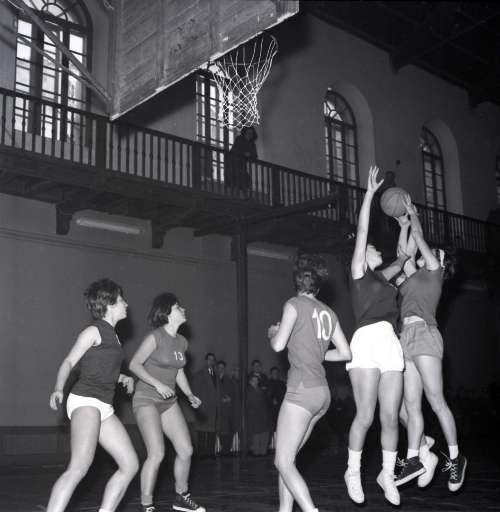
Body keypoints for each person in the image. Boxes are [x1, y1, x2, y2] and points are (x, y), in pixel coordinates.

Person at [344, 166, 410, 506]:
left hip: (389, 342)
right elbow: (362, 229)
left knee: (390, 417)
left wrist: (407, 223)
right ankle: (353, 472)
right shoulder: (359, 272)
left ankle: (387, 474)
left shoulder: (385, 277)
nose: (375, 250)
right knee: (366, 415)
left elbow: (405, 255)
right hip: (366, 341)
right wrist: (369, 195)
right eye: (371, 248)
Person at [393, 197, 467, 491]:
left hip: (425, 334)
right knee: (411, 405)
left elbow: (420, 238)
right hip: (405, 336)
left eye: (435, 253)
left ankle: (456, 458)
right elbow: (402, 255)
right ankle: (414, 459)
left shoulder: (435, 273)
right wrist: (403, 226)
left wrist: (414, 216)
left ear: (441, 262)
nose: (428, 253)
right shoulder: (414, 276)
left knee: (436, 401)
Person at [46, 278, 139, 512]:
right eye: (122, 300)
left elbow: (102, 369)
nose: (126, 304)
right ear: (110, 304)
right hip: (85, 400)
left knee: (130, 465)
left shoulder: (115, 337)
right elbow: (69, 361)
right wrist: (58, 388)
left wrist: (122, 377)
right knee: (78, 467)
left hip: (104, 405)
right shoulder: (93, 330)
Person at [268, 254, 351, 512]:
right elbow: (346, 353)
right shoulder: (329, 312)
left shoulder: (293, 304)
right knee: (289, 460)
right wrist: (317, 354)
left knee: (282, 462)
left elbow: (278, 345)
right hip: (322, 394)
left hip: (301, 390)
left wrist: (272, 333)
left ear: (297, 281)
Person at [129, 293, 204, 512]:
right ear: (168, 312)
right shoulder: (155, 337)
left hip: (169, 402)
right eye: (179, 307)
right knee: (157, 453)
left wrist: (189, 394)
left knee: (186, 450)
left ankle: (181, 497)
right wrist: (157, 384)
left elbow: (178, 371)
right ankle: (147, 505)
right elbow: (134, 364)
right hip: (146, 399)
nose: (184, 309)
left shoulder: (182, 341)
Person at [191, 352, 218, 458]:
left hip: (213, 408)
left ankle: (210, 453)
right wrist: (198, 406)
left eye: (213, 360)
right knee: (202, 432)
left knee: (212, 432)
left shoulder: (215, 375)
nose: (211, 362)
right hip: (203, 408)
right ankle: (202, 454)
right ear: (206, 361)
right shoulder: (199, 375)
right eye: (209, 359)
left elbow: (217, 391)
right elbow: (195, 391)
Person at [225, 126, 257, 195]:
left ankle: (244, 195)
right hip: (233, 162)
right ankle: (237, 194)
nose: (250, 135)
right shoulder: (239, 139)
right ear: (244, 133)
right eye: (248, 133)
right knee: (237, 178)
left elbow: (255, 156)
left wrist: (250, 155)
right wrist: (243, 153)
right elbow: (235, 150)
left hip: (242, 165)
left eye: (251, 133)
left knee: (244, 179)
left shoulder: (252, 144)